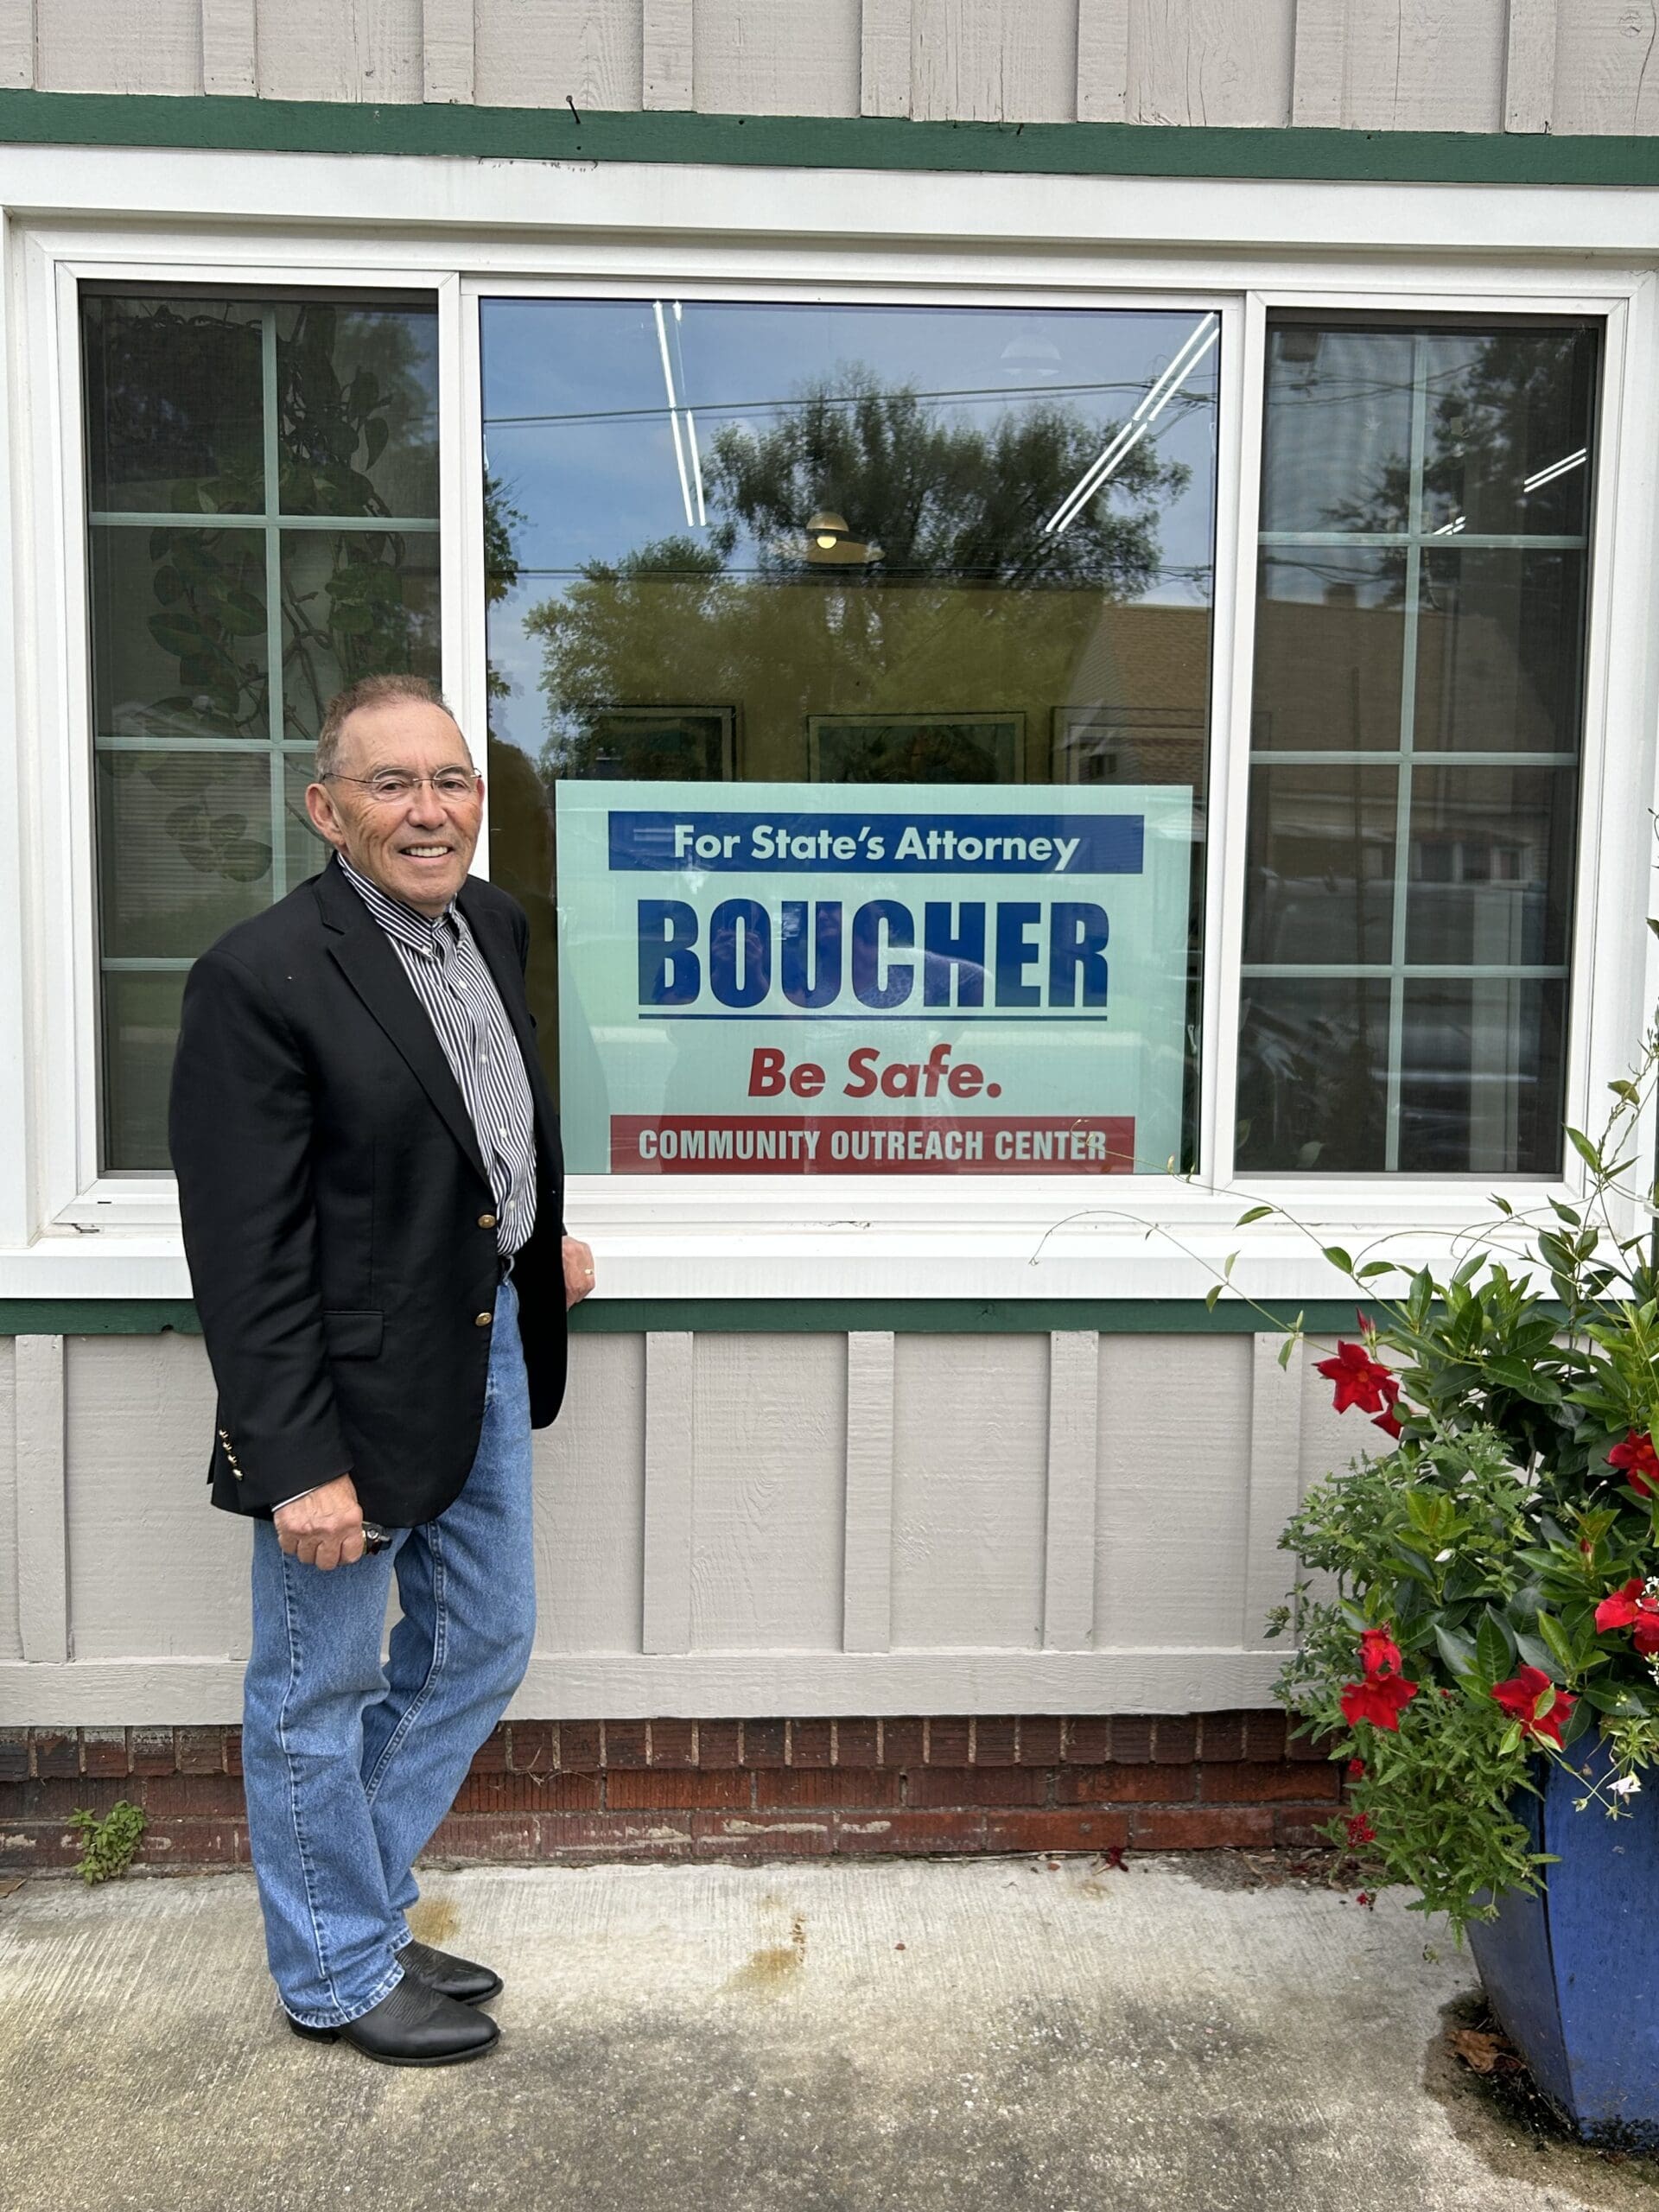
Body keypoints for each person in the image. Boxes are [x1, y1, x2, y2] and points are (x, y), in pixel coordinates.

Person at [168, 671, 594, 2068]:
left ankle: (351, 1908)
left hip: (480, 1350)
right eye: (391, 786)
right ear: (328, 811)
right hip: (343, 1399)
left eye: (452, 781)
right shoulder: (258, 976)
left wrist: (536, 1247)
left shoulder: (493, 923)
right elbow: (246, 1250)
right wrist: (296, 1464)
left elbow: (469, 1123)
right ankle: (335, 1972)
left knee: (482, 1641)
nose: (430, 811)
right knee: (317, 1688)